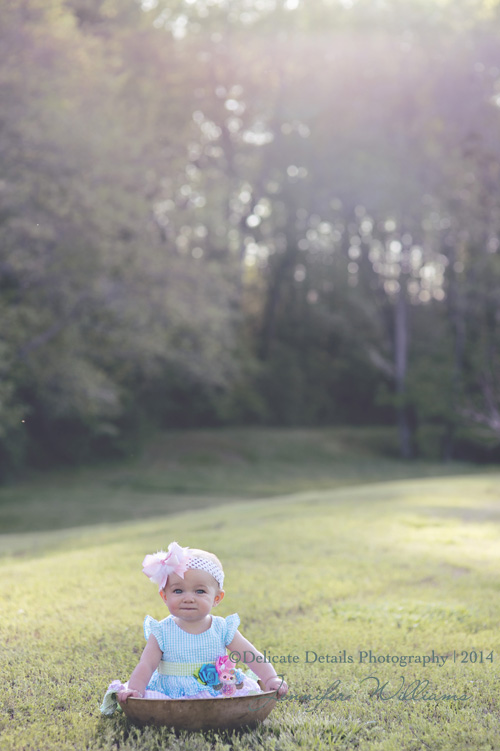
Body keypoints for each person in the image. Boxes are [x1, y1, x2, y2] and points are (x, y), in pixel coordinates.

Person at [100, 541, 288, 714]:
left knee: (239, 700)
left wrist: (271, 678)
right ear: (164, 596)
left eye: (200, 591)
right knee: (159, 706)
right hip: (173, 692)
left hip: (218, 689)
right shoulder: (162, 631)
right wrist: (136, 689)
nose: (188, 598)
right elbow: (147, 665)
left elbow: (249, 654)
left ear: (217, 598)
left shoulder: (222, 628)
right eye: (178, 590)